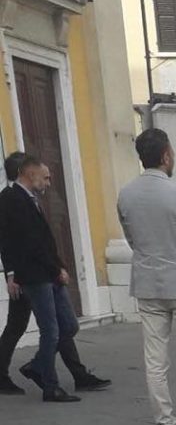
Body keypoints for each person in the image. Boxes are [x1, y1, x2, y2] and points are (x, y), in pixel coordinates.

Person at [116, 129, 176, 425]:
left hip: (148, 282)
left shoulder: (126, 195)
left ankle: (165, 422)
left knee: (155, 361)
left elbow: (131, 238)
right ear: (166, 156)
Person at [0, 155, 110, 402]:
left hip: (46, 272)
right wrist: (13, 274)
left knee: (67, 326)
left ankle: (41, 367)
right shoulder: (11, 199)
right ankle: (51, 384)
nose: (48, 182)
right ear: (28, 173)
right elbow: (20, 242)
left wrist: (59, 266)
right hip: (34, 276)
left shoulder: (32, 200)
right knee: (48, 330)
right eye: (45, 177)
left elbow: (43, 241)